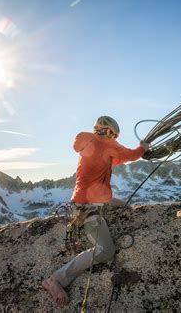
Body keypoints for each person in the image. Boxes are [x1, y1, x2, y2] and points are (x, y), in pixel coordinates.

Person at [43, 115, 150, 306]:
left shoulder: (91, 144)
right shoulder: (106, 144)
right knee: (105, 250)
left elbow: (113, 160)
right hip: (88, 207)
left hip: (86, 200)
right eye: (114, 136)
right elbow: (130, 155)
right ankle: (56, 279)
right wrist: (142, 148)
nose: (114, 140)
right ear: (109, 132)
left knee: (124, 205)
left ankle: (114, 203)